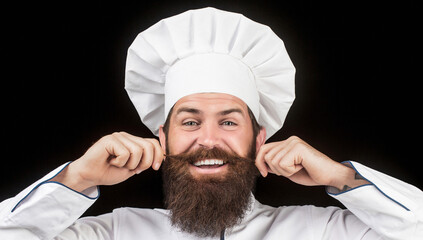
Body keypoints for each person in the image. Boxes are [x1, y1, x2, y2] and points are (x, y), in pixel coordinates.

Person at [0, 7, 422, 240]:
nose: (208, 140)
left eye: (228, 121)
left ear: (260, 139)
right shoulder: (113, 233)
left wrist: (343, 178)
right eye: (189, 121)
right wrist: (75, 179)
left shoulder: (322, 231)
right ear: (161, 138)